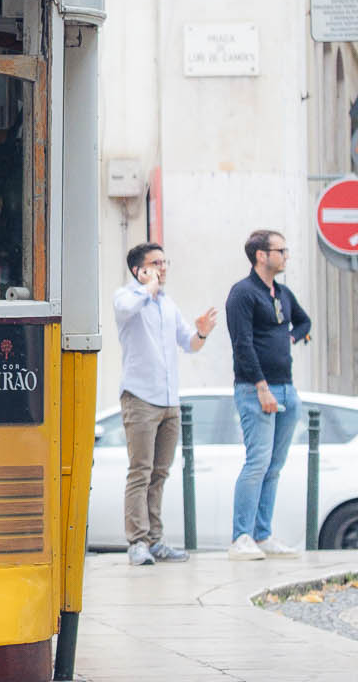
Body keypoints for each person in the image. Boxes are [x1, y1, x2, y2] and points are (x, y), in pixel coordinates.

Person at [112, 243, 218, 565]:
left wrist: (201, 333)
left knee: (160, 473)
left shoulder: (168, 305)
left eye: (164, 261)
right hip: (141, 397)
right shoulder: (127, 297)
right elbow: (125, 311)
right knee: (140, 472)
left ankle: (156, 539)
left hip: (169, 401)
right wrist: (149, 287)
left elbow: (188, 343)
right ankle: (137, 542)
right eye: (155, 263)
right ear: (138, 270)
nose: (163, 267)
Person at [226, 229, 311, 560]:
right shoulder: (243, 294)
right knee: (257, 462)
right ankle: (241, 538)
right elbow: (242, 345)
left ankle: (262, 535)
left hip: (287, 387)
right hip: (255, 389)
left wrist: (289, 338)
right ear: (261, 255)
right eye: (281, 250)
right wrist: (262, 388)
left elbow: (304, 322)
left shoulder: (282, 293)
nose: (286, 256)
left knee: (274, 465)